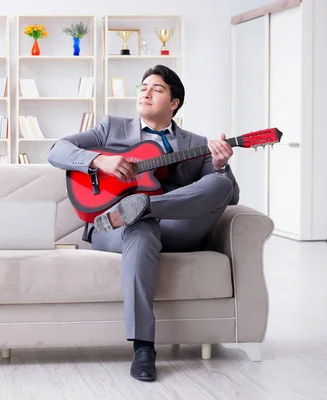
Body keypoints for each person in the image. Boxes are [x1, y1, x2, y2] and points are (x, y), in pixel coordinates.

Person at [47, 65, 239, 382]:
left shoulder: (197, 143)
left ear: (174, 102)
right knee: (140, 228)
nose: (145, 92)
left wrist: (221, 167)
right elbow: (57, 150)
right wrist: (100, 160)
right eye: (143, 87)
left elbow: (224, 199)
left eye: (157, 89)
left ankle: (145, 206)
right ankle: (143, 348)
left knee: (220, 184)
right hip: (113, 225)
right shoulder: (111, 128)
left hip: (177, 227)